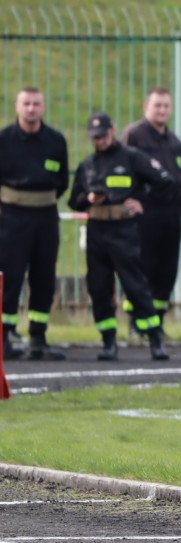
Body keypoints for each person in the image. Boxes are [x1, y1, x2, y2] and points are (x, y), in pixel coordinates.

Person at [66, 112, 173, 361]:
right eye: (95, 137)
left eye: (103, 136)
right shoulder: (87, 164)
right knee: (99, 287)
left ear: (113, 131)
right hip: (96, 231)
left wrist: (142, 201)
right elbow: (74, 201)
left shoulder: (131, 157)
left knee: (136, 287)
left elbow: (165, 183)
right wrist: (88, 199)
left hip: (124, 231)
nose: (99, 141)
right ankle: (108, 343)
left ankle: (155, 340)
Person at [0, 87, 69, 361]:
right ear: (17, 107)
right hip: (11, 217)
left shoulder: (56, 141)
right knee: (9, 277)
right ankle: (3, 337)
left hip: (45, 216)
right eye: (26, 103)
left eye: (36, 103)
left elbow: (63, 181)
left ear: (43, 107)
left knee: (43, 277)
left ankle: (38, 338)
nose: (31, 109)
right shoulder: (4, 139)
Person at [119, 87, 181, 330]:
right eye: (157, 105)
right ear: (145, 107)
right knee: (142, 268)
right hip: (145, 214)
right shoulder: (133, 135)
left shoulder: (173, 141)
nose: (162, 110)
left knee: (166, 270)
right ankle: (136, 322)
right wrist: (130, 201)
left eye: (166, 106)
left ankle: (156, 323)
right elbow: (119, 169)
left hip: (171, 214)